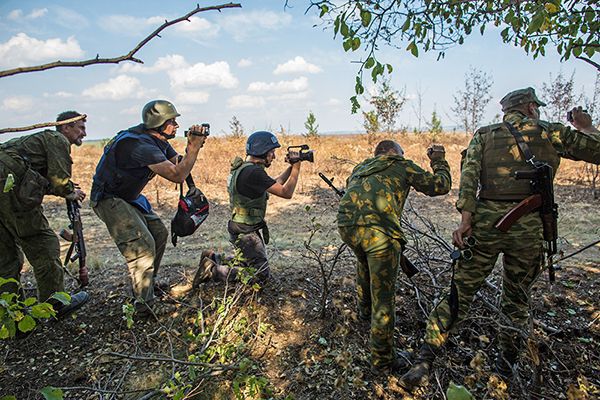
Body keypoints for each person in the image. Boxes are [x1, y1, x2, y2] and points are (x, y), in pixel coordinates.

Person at [400, 88, 600, 390]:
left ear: (508, 111)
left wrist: (466, 219)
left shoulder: (485, 135)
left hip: (486, 224)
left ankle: (424, 359)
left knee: (459, 291)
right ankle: (504, 370)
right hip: (529, 228)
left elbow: (469, 175)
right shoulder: (549, 133)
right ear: (531, 108)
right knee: (516, 298)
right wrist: (585, 126)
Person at [337, 140, 451, 373]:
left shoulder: (360, 167)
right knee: (384, 296)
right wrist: (438, 161)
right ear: (396, 153)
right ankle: (382, 360)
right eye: (402, 152)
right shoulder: (401, 164)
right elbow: (440, 186)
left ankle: (365, 316)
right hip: (380, 233)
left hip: (348, 227)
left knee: (365, 268)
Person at [90, 100, 208, 315]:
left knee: (159, 233)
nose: (176, 125)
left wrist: (192, 153)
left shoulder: (158, 139)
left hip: (129, 197)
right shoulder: (138, 145)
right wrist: (193, 147)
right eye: (171, 121)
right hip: (110, 199)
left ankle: (146, 286)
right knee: (141, 247)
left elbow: (177, 163)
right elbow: (176, 174)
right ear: (158, 122)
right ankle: (144, 307)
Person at [0, 111, 89, 317]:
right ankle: (55, 303)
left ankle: (11, 316)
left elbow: (40, 179)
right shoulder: (56, 139)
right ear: (65, 127)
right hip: (9, 186)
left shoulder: (35, 142)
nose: (84, 133)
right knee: (43, 243)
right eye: (80, 127)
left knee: (5, 256)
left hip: (6, 185)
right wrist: (70, 192)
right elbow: (59, 180)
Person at [194, 131, 304, 285]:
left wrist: (291, 167)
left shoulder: (246, 169)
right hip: (246, 232)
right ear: (262, 151)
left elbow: (275, 183)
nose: (274, 156)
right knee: (260, 274)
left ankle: (213, 258)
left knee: (245, 261)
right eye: (272, 152)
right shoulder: (254, 172)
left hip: (239, 226)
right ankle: (212, 271)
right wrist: (297, 168)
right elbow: (286, 193)